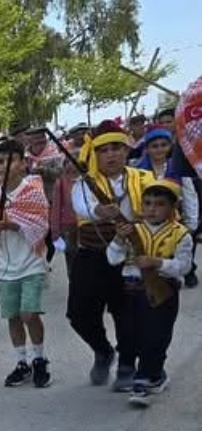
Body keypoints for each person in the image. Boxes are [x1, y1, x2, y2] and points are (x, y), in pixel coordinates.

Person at [69, 120, 156, 391]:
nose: (111, 154)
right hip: (92, 257)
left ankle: (128, 365)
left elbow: (159, 210)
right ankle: (104, 351)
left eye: (116, 148)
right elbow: (82, 207)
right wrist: (99, 212)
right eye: (104, 150)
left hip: (130, 257)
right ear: (95, 154)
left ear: (125, 149)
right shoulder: (84, 184)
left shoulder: (144, 179)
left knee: (126, 315)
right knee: (79, 315)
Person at [107, 180, 193, 406]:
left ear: (172, 208)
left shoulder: (181, 234)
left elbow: (183, 266)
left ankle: (145, 378)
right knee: (130, 334)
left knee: (156, 335)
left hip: (163, 291)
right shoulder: (132, 228)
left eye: (159, 204)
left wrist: (157, 262)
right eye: (147, 203)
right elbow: (113, 258)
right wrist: (119, 238)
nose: (152, 209)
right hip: (130, 289)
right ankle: (148, 374)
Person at [0, 140, 53, 389]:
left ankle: (40, 358)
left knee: (29, 313)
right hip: (5, 264)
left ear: (23, 163)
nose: (5, 166)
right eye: (0, 161)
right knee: (13, 316)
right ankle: (21, 361)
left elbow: (41, 226)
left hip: (31, 262)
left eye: (11, 160)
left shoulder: (33, 190)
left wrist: (13, 224)